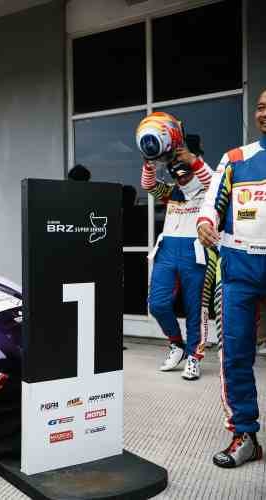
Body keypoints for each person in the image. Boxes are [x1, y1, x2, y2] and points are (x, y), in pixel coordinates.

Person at [197, 88, 266, 468]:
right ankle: (245, 436)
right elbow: (211, 202)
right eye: (260, 107)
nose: (264, 113)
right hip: (239, 270)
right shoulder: (236, 158)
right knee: (235, 356)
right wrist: (205, 222)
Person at [137, 112, 214, 380]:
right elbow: (148, 185)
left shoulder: (209, 189)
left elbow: (212, 181)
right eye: (176, 168)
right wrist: (149, 162)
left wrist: (193, 161)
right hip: (168, 249)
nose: (180, 173)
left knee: (195, 308)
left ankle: (194, 355)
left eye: (184, 168)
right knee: (157, 304)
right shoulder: (171, 191)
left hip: (196, 251)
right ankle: (177, 344)